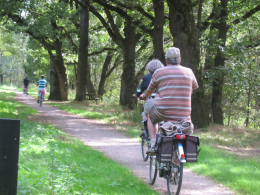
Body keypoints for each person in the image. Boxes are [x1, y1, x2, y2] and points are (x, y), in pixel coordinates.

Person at [140, 47, 199, 153]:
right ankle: (179, 161)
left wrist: (144, 96)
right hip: (184, 113)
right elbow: (194, 87)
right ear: (180, 59)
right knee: (187, 122)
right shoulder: (189, 72)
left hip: (163, 112)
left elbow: (150, 90)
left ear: (166, 59)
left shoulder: (159, 72)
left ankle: (153, 144)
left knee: (150, 116)